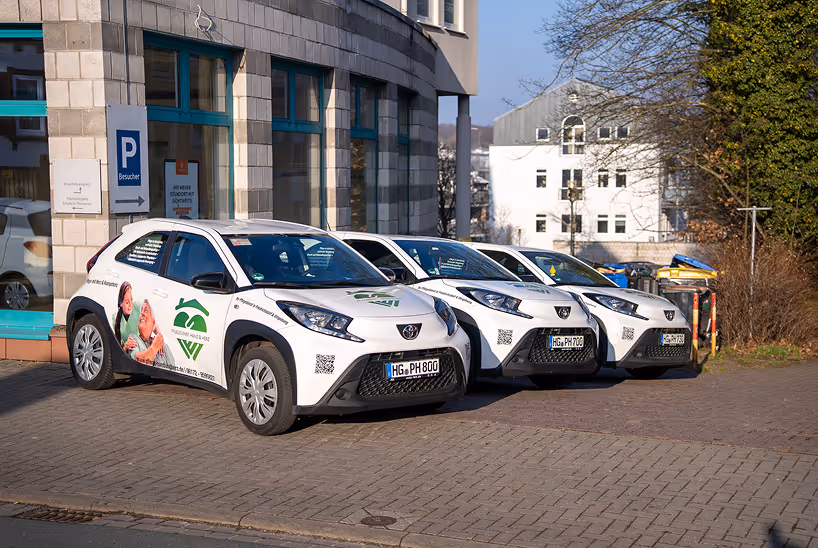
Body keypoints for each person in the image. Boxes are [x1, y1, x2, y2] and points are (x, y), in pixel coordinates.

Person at [131, 299, 175, 367]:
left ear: (153, 322)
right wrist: (154, 348)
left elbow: (173, 367)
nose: (142, 313)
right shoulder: (133, 339)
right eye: (141, 311)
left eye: (146, 310)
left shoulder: (162, 345)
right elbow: (139, 363)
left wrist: (158, 335)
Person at [113, 282, 138, 352]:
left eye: (131, 299)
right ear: (121, 303)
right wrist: (125, 346)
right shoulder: (116, 319)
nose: (130, 305)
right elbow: (116, 350)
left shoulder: (137, 310)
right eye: (127, 302)